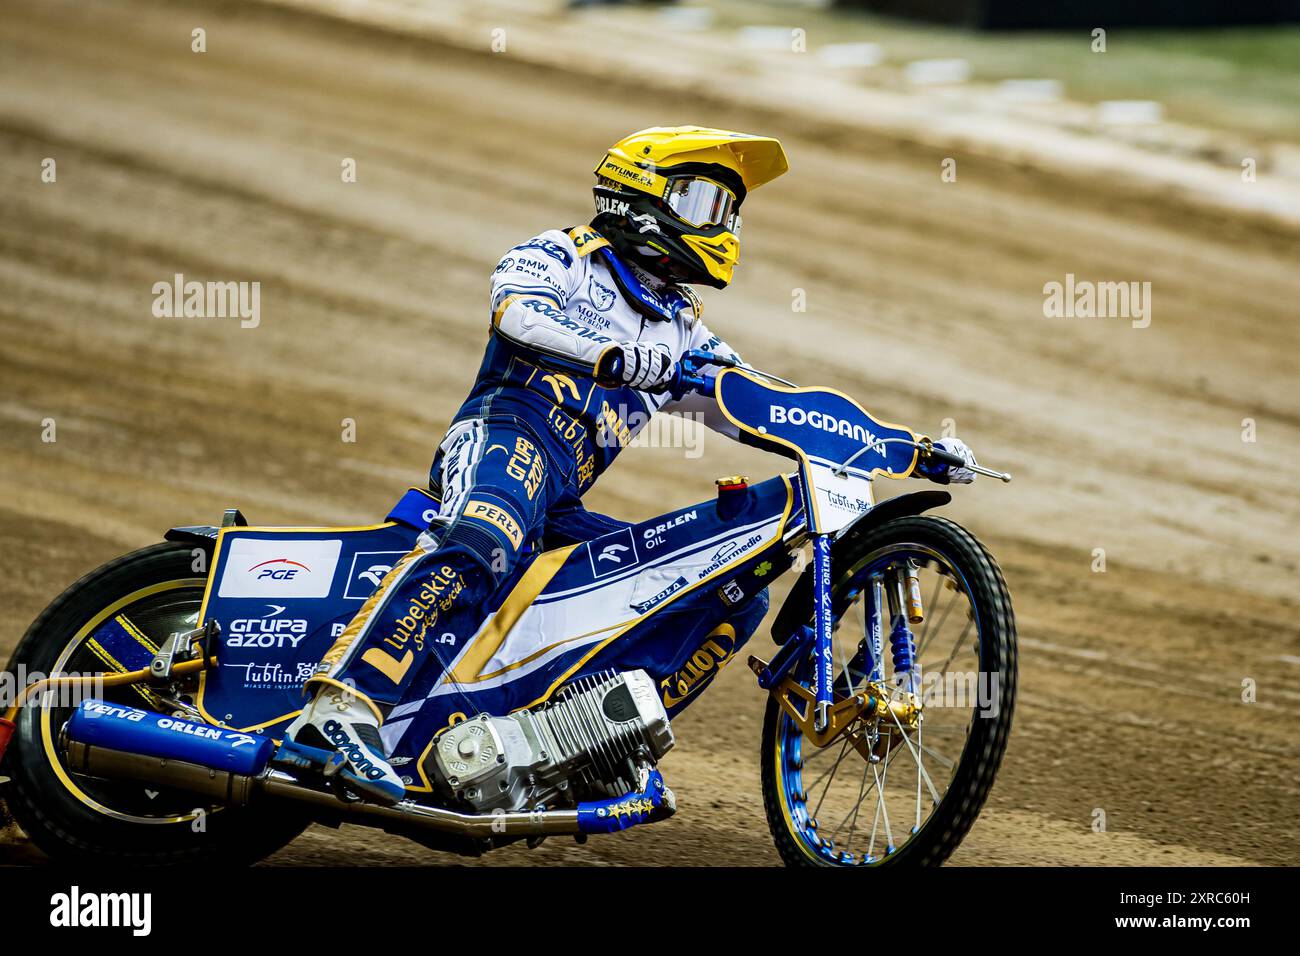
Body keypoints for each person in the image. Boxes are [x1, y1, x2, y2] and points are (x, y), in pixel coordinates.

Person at [284, 126, 978, 803]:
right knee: (485, 535)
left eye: (730, 210)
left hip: (559, 507)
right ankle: (339, 712)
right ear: (640, 196)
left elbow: (767, 404)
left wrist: (905, 446)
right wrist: (611, 355)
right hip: (504, 440)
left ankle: (581, 744)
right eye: (705, 202)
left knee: (725, 592)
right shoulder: (561, 254)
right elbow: (516, 314)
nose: (724, 224)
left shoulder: (683, 324)